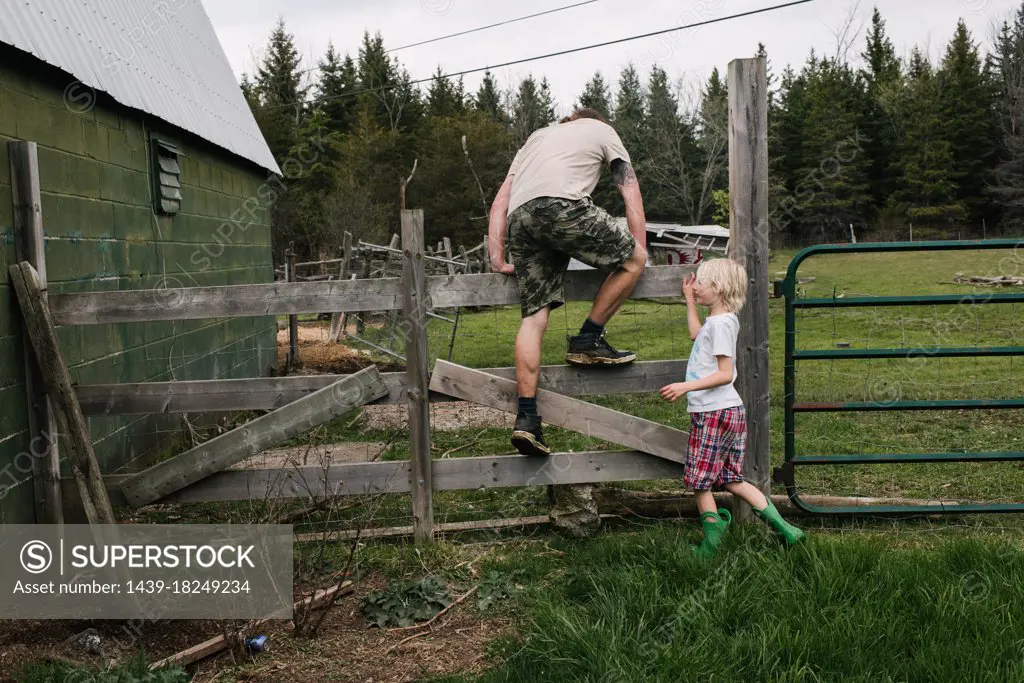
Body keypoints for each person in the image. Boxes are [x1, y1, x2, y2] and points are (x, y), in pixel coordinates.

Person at [488, 108, 649, 458]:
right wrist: (639, 249)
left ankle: (527, 419)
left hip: (521, 219)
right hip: (563, 207)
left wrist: (496, 256)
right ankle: (588, 338)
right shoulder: (602, 130)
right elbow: (629, 188)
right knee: (633, 260)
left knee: (533, 316)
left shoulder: (536, 139)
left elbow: (500, 201)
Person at [659, 259, 806, 558]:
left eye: (701, 283)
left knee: (700, 482)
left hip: (714, 412)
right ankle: (787, 531)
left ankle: (712, 542)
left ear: (720, 288)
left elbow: (726, 374)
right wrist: (689, 300)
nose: (696, 286)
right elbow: (695, 335)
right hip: (727, 413)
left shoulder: (722, 324)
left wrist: (684, 386)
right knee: (731, 479)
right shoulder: (720, 321)